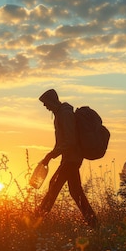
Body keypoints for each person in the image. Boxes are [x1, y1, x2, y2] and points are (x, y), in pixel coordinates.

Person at [34, 89, 98, 228]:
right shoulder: (60, 114)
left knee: (54, 185)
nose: (45, 107)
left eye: (46, 103)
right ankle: (94, 223)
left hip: (72, 158)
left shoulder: (65, 114)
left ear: (52, 101)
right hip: (69, 158)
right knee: (75, 192)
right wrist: (54, 154)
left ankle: (36, 220)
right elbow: (63, 140)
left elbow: (70, 140)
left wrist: (51, 155)